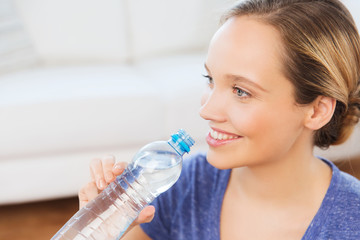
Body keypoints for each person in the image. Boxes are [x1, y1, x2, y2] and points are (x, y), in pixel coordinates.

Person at [79, 0, 360, 239]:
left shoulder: (351, 222)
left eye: (241, 91)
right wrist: (101, 225)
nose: (207, 111)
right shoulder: (186, 186)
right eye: (210, 79)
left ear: (317, 110)